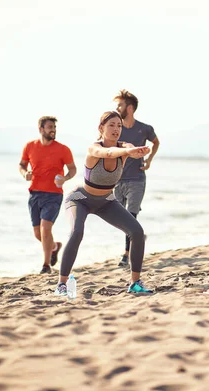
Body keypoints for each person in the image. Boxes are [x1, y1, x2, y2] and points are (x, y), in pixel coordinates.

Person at [55, 111, 153, 295]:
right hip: (80, 199)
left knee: (137, 232)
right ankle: (61, 284)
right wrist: (128, 151)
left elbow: (126, 147)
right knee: (77, 232)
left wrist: (135, 150)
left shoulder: (124, 147)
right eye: (111, 125)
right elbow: (107, 152)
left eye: (119, 126)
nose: (116, 129)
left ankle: (135, 283)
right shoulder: (94, 148)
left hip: (106, 201)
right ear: (101, 128)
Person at [19, 116, 76, 274]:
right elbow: (22, 165)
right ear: (41, 129)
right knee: (38, 233)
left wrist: (65, 178)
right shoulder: (30, 146)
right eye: (50, 127)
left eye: (54, 127)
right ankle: (54, 247)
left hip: (53, 194)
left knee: (45, 229)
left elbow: (73, 169)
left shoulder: (63, 149)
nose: (53, 130)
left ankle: (46, 266)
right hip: (35, 194)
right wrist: (25, 174)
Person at [113, 90, 160, 267]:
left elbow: (156, 142)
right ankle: (138, 234)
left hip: (137, 179)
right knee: (119, 218)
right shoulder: (116, 129)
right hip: (118, 180)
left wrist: (149, 160)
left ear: (130, 108)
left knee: (129, 216)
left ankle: (126, 255)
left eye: (120, 105)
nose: (117, 109)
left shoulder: (144, 129)